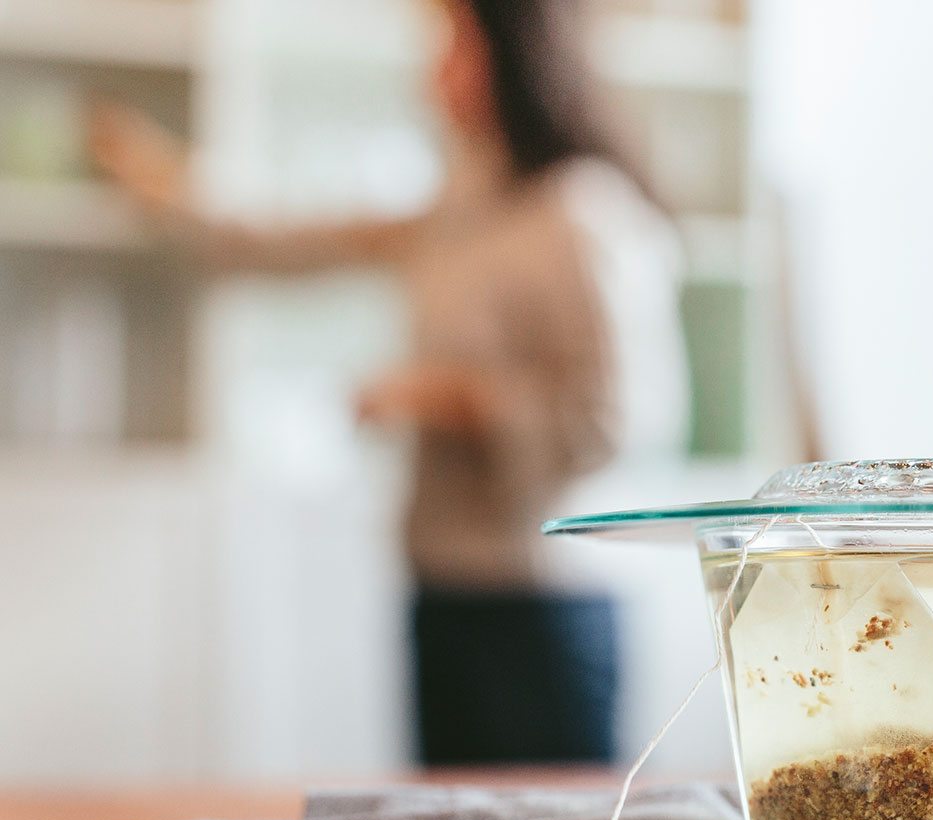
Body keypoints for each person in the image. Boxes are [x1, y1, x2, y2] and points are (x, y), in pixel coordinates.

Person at [89, 0, 688, 765]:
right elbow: (290, 239)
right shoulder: (460, 211)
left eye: (451, 48)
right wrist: (170, 189)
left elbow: (623, 420)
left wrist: (444, 397)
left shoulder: (579, 212)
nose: (432, 73)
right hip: (441, 590)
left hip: (539, 611)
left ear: (513, 59)